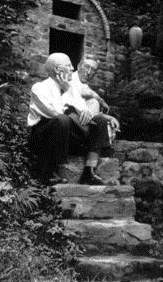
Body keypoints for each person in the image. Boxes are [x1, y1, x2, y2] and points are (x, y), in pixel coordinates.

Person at [28, 53, 117, 185]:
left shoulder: (70, 88)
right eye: (68, 65)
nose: (71, 69)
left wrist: (73, 97)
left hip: (67, 136)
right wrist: (68, 93)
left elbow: (84, 111)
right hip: (44, 138)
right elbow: (54, 112)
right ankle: (48, 172)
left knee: (100, 120)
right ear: (58, 70)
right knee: (62, 119)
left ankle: (89, 171)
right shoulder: (39, 88)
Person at [62, 58, 119, 143]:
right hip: (67, 123)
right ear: (78, 66)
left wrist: (106, 115)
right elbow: (81, 93)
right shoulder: (70, 79)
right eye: (86, 67)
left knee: (96, 106)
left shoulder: (84, 85)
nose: (88, 72)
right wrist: (101, 102)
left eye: (93, 70)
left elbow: (87, 93)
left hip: (81, 124)